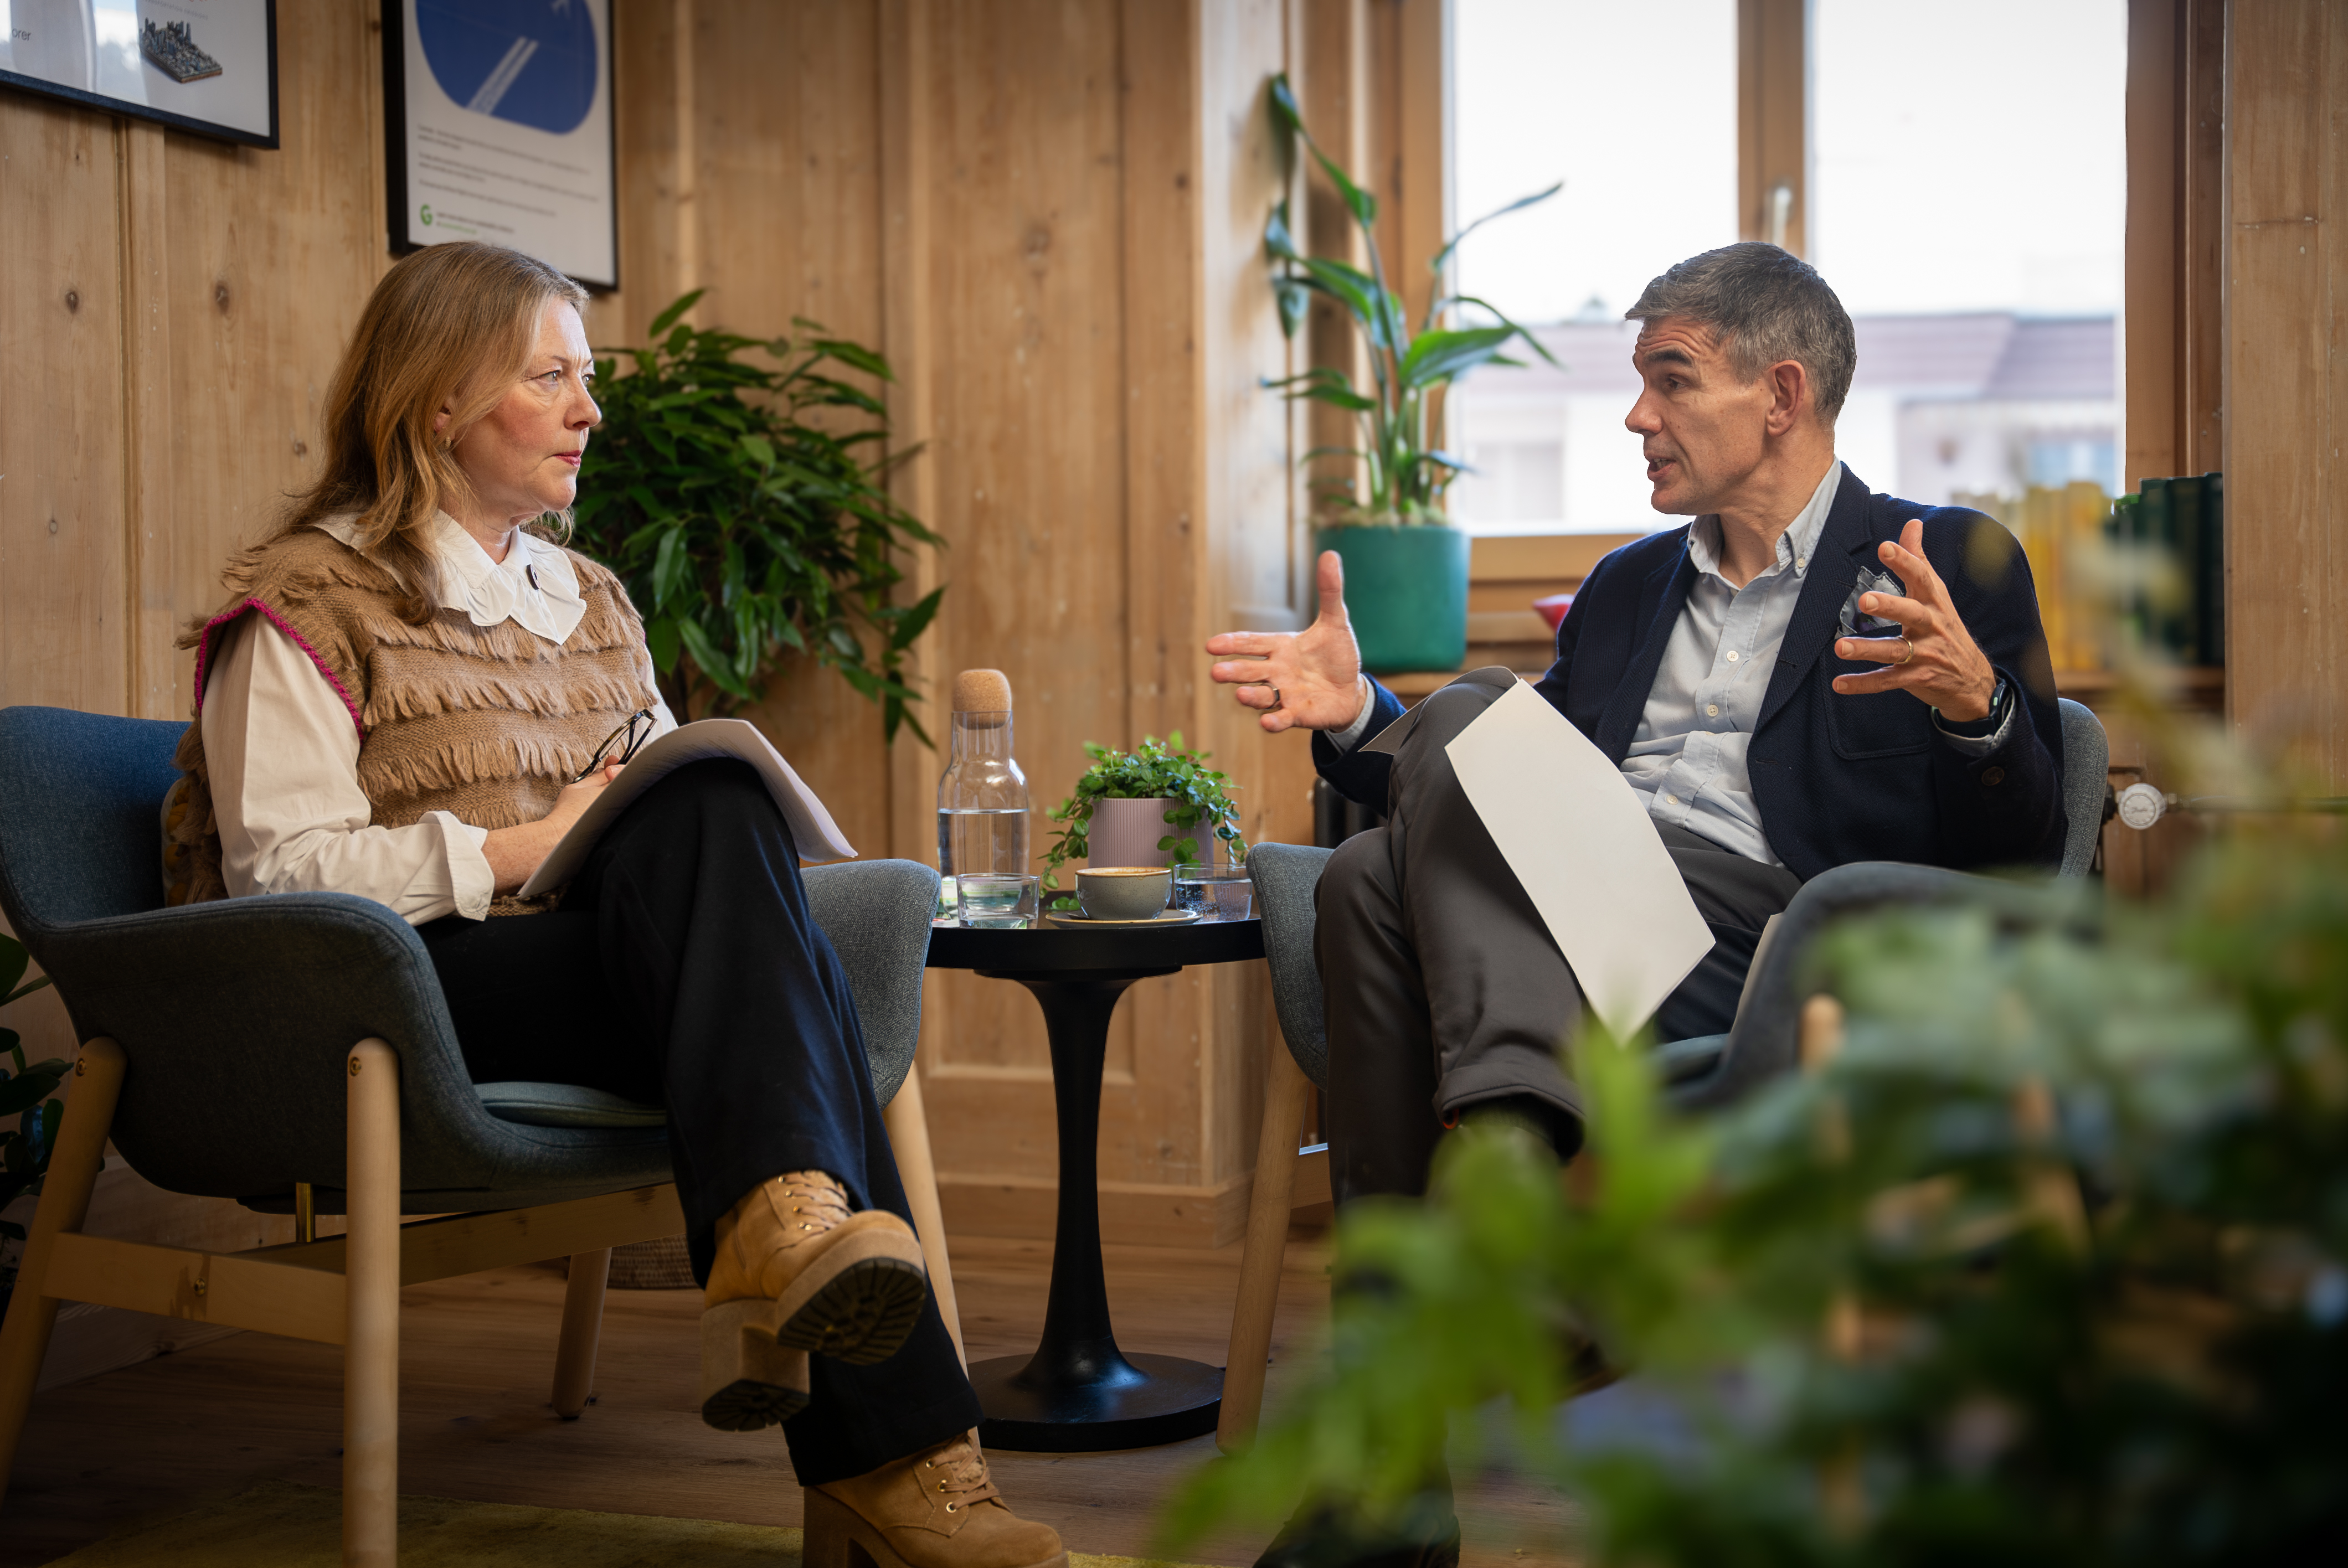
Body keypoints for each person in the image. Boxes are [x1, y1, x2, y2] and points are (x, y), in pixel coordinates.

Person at [169, 240, 1064, 1568]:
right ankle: (901, 1461)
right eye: (552, 378)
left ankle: (792, 1247)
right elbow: (280, 872)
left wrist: (632, 817)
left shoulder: (586, 596)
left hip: (600, 977)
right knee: (758, 924)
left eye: (587, 378)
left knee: (713, 811)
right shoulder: (302, 602)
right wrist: (531, 844)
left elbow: (650, 811)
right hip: (404, 991)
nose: (593, 410)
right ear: (435, 405)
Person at [1205, 242, 2064, 1568]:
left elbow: (2024, 860)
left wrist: (1980, 711)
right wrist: (1362, 716)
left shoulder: (1941, 559)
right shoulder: (1621, 589)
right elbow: (1479, 804)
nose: (1634, 416)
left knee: (1447, 758)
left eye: (1670, 380)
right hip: (1580, 932)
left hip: (1774, 937)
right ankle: (1506, 1169)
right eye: (1636, 381)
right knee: (1389, 847)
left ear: (1779, 394)